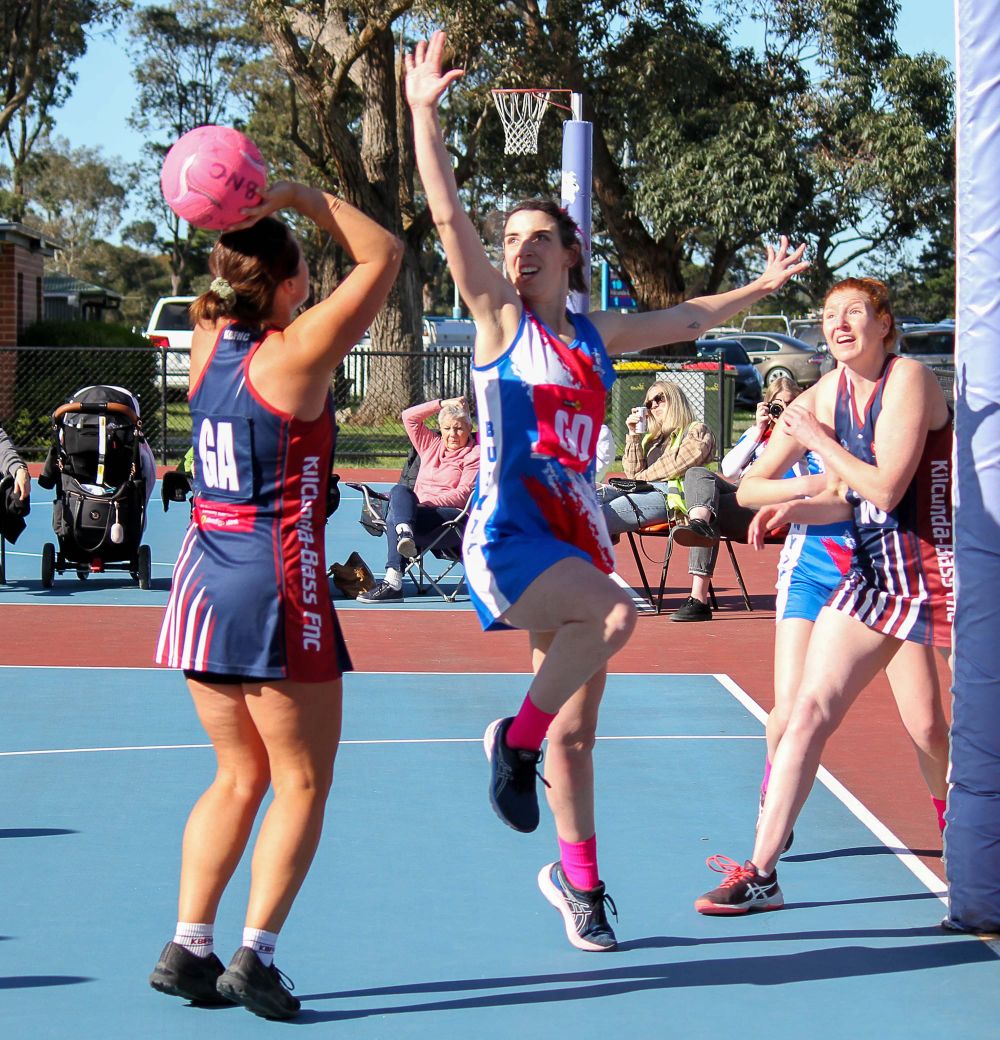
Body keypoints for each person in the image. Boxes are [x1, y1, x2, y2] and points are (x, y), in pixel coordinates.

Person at [406, 29, 807, 952]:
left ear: (571, 252)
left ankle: (578, 884)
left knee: (577, 735)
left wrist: (765, 283)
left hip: (576, 534)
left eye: (537, 238)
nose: (518, 251)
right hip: (510, 530)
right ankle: (509, 743)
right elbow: (445, 221)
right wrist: (425, 115)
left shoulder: (594, 334)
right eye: (510, 240)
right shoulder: (497, 319)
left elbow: (693, 315)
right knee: (622, 616)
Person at [149, 184, 402, 1015]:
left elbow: (229, 287)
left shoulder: (206, 340)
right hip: (273, 580)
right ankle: (253, 958)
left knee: (234, 775)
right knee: (300, 780)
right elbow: (385, 255)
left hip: (200, 578)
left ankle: (189, 946)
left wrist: (233, 217)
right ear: (293, 282)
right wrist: (298, 194)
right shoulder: (294, 355)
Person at [694, 276, 953, 915]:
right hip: (874, 579)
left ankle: (965, 844)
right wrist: (799, 503)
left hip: (942, 575)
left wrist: (815, 446)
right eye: (829, 313)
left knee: (932, 726)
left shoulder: (909, 381)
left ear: (884, 324)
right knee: (804, 711)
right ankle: (762, 870)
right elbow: (810, 492)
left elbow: (886, 489)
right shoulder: (826, 395)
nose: (839, 323)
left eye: (855, 312)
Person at [663, 378, 806, 622]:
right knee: (696, 473)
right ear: (767, 406)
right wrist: (759, 430)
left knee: (714, 510)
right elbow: (728, 471)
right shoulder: (758, 433)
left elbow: (804, 478)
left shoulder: (802, 436)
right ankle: (700, 523)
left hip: (772, 498)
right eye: (777, 405)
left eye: (790, 404)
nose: (783, 410)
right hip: (741, 490)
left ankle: (698, 599)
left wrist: (791, 432)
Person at [357, 395, 479, 602]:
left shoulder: (475, 454)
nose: (452, 434)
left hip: (451, 521)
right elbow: (409, 417)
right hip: (416, 516)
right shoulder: (430, 444)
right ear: (441, 429)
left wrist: (423, 505)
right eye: (447, 428)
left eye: (459, 428)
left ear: (469, 429)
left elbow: (462, 495)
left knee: (398, 515)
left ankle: (393, 581)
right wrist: (443, 404)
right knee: (400, 491)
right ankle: (405, 532)